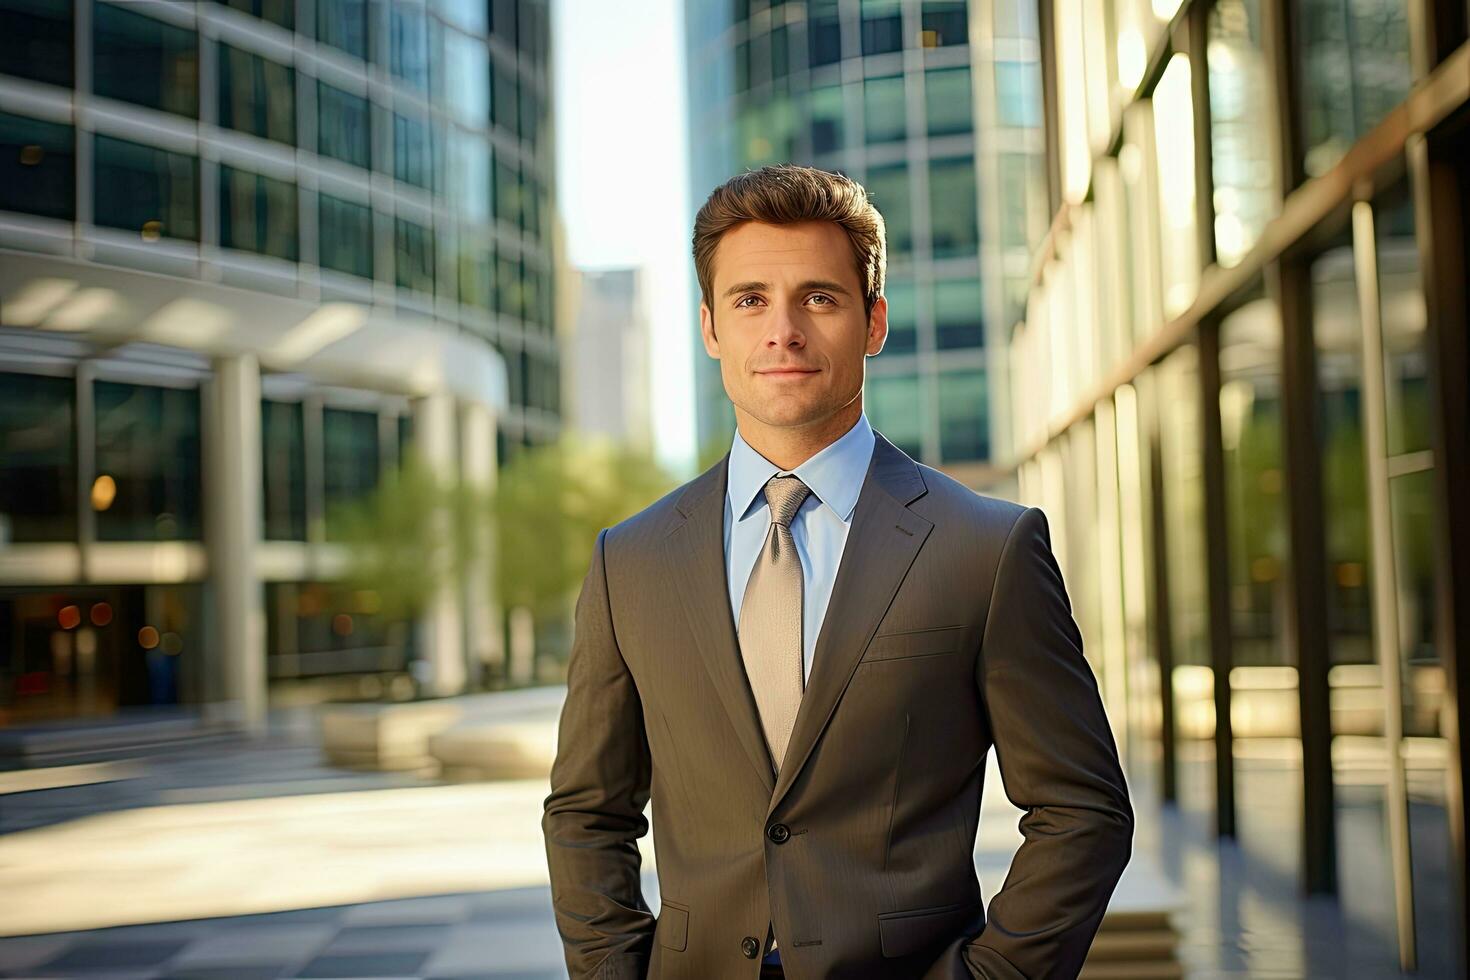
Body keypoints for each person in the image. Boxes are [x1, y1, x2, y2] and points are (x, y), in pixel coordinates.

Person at [542, 164, 1133, 979]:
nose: (782, 330)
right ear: (711, 327)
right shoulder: (630, 561)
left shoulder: (986, 549)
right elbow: (586, 812)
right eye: (750, 300)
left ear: (873, 322)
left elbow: (1082, 809)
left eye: (818, 297)